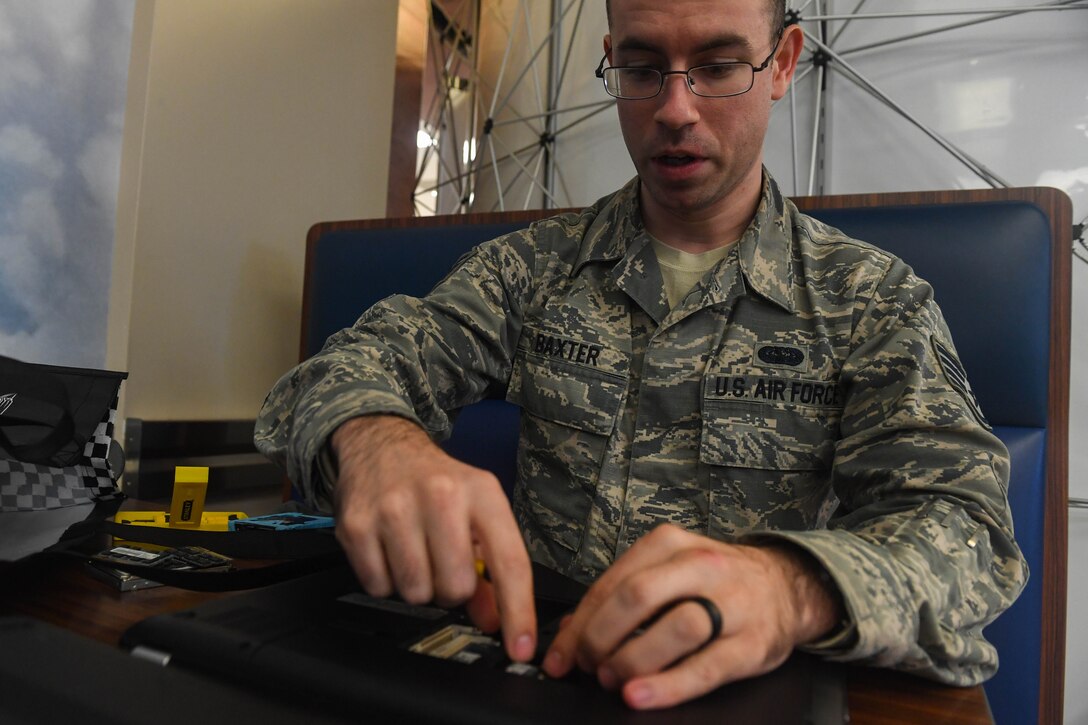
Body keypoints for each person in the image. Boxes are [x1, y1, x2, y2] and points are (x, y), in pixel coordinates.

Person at [255, 0, 1026, 711]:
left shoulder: (871, 302)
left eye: (720, 67)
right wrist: (378, 440)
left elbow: (968, 530)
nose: (675, 109)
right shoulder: (531, 270)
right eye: (642, 68)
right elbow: (359, 362)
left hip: (747, 694)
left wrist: (789, 588)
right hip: (537, 676)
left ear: (783, 62)